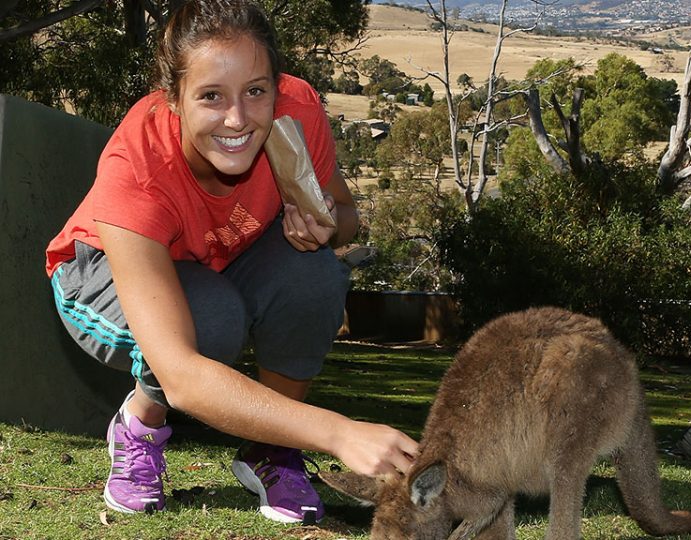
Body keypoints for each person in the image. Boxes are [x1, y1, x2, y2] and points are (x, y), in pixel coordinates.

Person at [44, 0, 418, 524]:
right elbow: (183, 375)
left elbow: (348, 215)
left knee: (314, 270)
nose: (238, 119)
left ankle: (270, 451)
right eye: (211, 96)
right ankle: (139, 425)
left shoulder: (297, 112)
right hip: (97, 271)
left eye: (256, 91)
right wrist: (339, 433)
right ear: (174, 99)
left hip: (214, 262)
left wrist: (329, 223)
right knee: (211, 321)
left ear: (276, 85)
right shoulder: (139, 168)